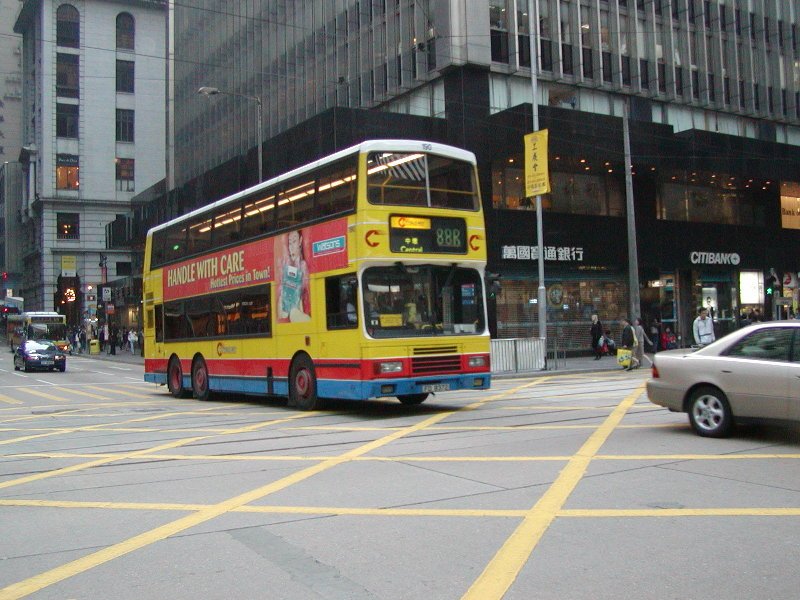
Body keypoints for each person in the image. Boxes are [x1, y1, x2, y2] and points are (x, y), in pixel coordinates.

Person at [278, 229, 310, 322]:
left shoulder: (303, 266)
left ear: (300, 241)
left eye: (294, 241)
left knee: (293, 312)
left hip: (299, 311)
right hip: (289, 313)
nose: (291, 247)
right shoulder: (286, 267)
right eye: (290, 243)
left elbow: (304, 291)